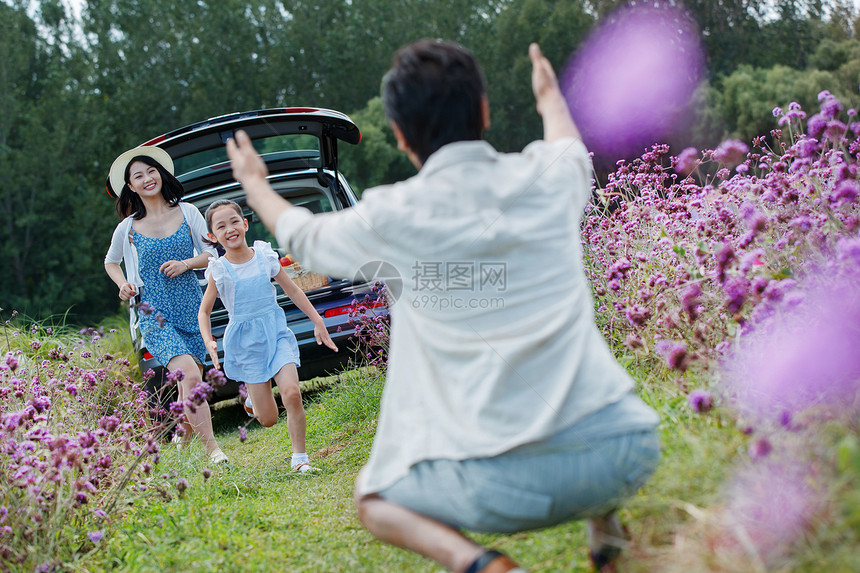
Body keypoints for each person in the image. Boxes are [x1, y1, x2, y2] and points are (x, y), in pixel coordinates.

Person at [227, 41, 660, 573]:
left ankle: (483, 565)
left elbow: (302, 234)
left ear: (402, 136)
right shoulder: (547, 176)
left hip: (501, 489)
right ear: (483, 110)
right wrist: (548, 96)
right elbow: (567, 142)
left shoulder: (391, 213)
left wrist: (255, 185)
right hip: (625, 450)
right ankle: (605, 530)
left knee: (373, 498)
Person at [104, 147, 228, 465]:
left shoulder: (187, 212)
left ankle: (181, 435)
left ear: (161, 174)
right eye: (138, 176)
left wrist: (187, 263)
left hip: (192, 309)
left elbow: (211, 253)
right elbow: (111, 262)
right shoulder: (127, 228)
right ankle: (213, 450)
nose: (147, 179)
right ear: (130, 186)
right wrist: (123, 285)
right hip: (153, 314)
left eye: (151, 171)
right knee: (188, 376)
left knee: (193, 382)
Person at [197, 200, 337, 473]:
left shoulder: (264, 255)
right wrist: (209, 342)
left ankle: (300, 459)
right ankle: (252, 402)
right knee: (269, 419)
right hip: (247, 345)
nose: (230, 229)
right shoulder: (220, 270)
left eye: (234, 221)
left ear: (245, 224)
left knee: (292, 393)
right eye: (221, 226)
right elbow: (204, 312)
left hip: (276, 335)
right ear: (213, 236)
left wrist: (317, 321)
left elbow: (293, 291)